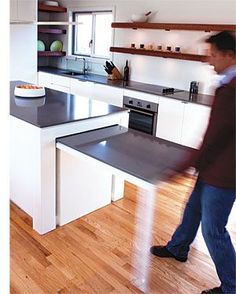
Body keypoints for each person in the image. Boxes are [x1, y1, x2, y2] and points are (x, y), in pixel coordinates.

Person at [150, 31, 236, 294]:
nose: (209, 61)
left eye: (212, 55)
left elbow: (213, 137)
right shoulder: (227, 84)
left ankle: (233, 286)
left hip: (224, 173)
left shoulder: (232, 90)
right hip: (213, 167)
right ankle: (178, 248)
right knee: (192, 210)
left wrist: (180, 167)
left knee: (214, 230)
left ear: (229, 55)